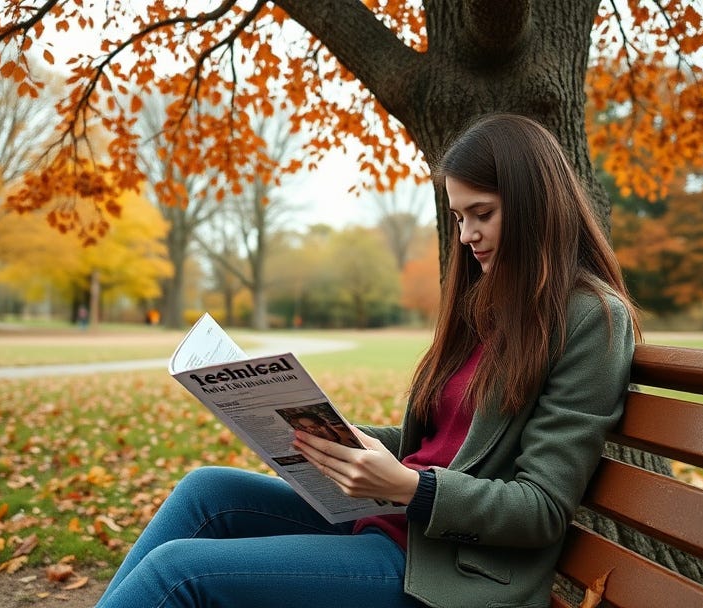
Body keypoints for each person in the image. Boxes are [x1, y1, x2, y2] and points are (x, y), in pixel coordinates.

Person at [94, 114, 639, 608]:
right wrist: (334, 437)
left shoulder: (592, 321)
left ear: (536, 207)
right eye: (457, 217)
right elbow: (449, 445)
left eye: (483, 215)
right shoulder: (492, 301)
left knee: (180, 574)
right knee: (205, 491)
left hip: (447, 572)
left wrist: (409, 487)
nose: (467, 236)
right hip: (397, 523)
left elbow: (540, 508)